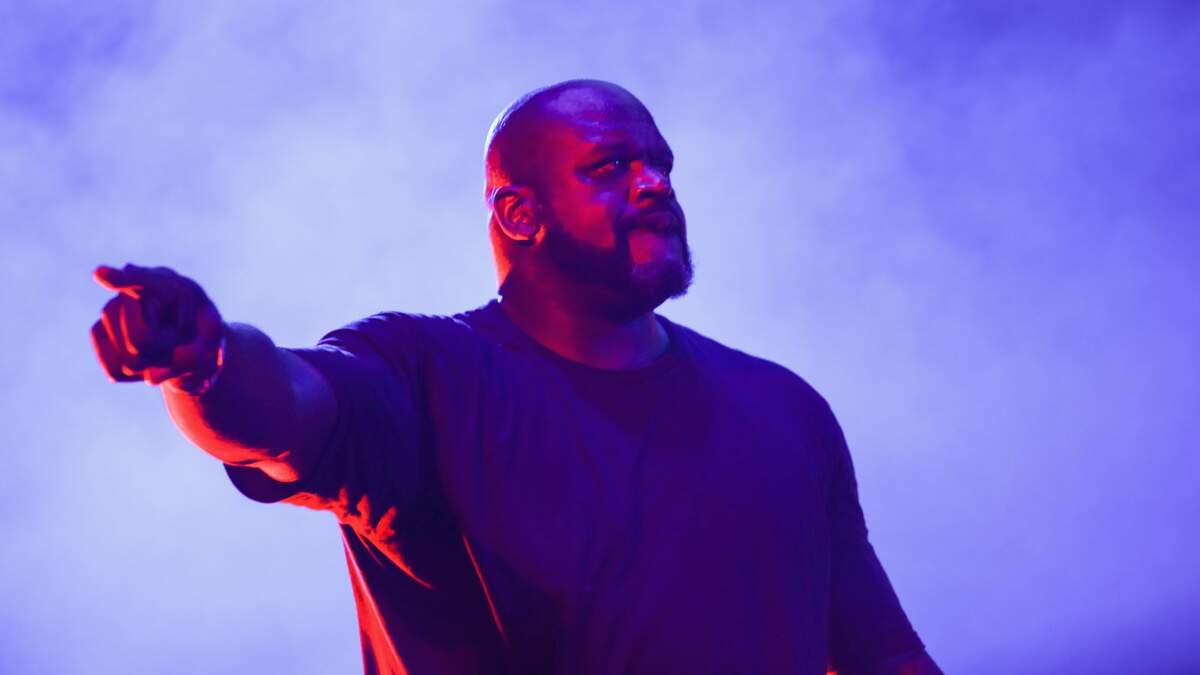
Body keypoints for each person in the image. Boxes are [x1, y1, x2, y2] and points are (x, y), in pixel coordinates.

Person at [89, 80, 943, 675]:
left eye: (662, 164)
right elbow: (283, 411)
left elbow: (884, 655)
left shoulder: (784, 408)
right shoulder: (426, 372)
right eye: (611, 167)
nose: (655, 184)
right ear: (519, 212)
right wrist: (203, 365)